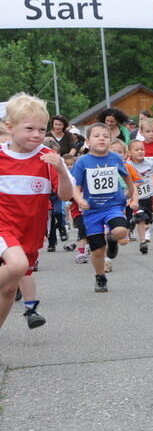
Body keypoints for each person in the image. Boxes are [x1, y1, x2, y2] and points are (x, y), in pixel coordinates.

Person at [0, 94, 74, 328]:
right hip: (4, 227)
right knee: (17, 266)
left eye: (42, 129)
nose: (36, 135)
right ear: (9, 127)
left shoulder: (47, 158)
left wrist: (61, 170)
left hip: (30, 234)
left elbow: (64, 195)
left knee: (10, 288)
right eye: (29, 128)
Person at [71, 122, 138, 292]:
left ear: (110, 140)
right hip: (92, 211)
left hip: (113, 205)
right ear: (88, 141)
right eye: (96, 136)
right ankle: (100, 276)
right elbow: (75, 186)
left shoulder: (115, 158)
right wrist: (79, 200)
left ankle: (112, 240)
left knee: (121, 231)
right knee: (98, 250)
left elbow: (126, 175)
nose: (101, 138)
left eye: (105, 136)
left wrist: (131, 191)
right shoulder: (82, 162)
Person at [126, 139, 153, 255]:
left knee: (147, 218)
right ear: (129, 153)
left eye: (142, 149)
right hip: (134, 198)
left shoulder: (149, 163)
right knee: (140, 218)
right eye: (136, 150)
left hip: (147, 196)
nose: (140, 151)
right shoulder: (127, 165)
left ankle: (148, 227)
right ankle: (143, 241)